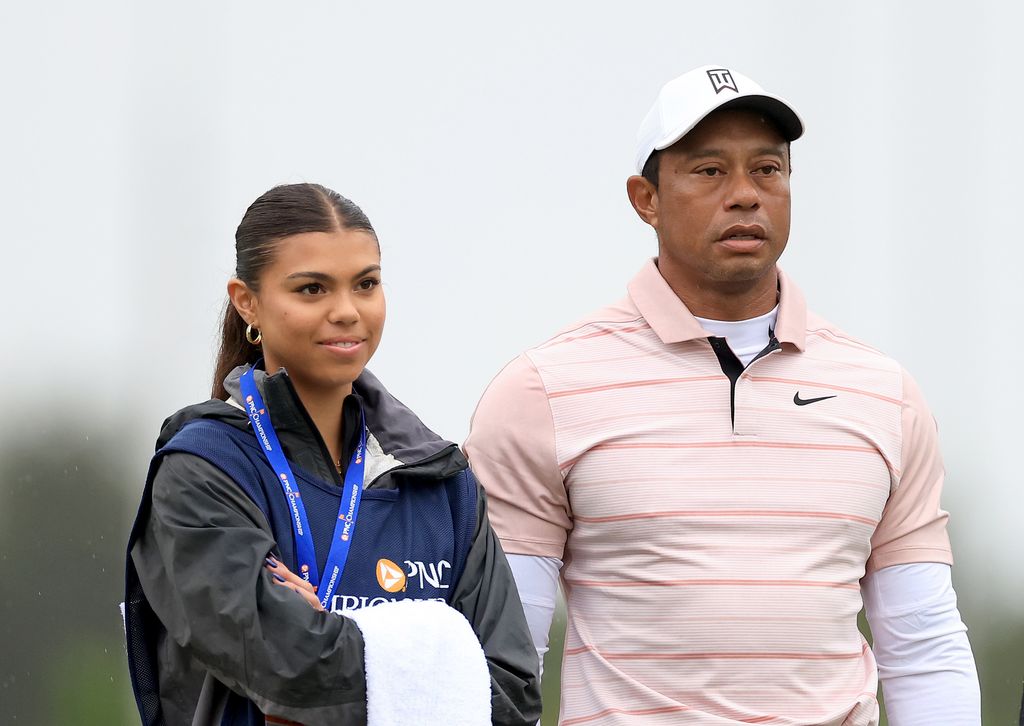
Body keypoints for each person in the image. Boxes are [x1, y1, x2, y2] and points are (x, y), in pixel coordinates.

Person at [464, 66, 980, 725]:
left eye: (767, 169)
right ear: (645, 198)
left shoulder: (884, 394)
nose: (745, 195)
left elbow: (924, 648)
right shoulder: (541, 392)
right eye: (709, 171)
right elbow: (507, 661)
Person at [124, 183, 541, 726]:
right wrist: (425, 661)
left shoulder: (438, 480)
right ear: (246, 301)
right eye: (312, 289)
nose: (347, 311)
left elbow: (514, 696)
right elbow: (289, 670)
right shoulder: (202, 471)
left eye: (365, 284)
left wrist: (334, 631)